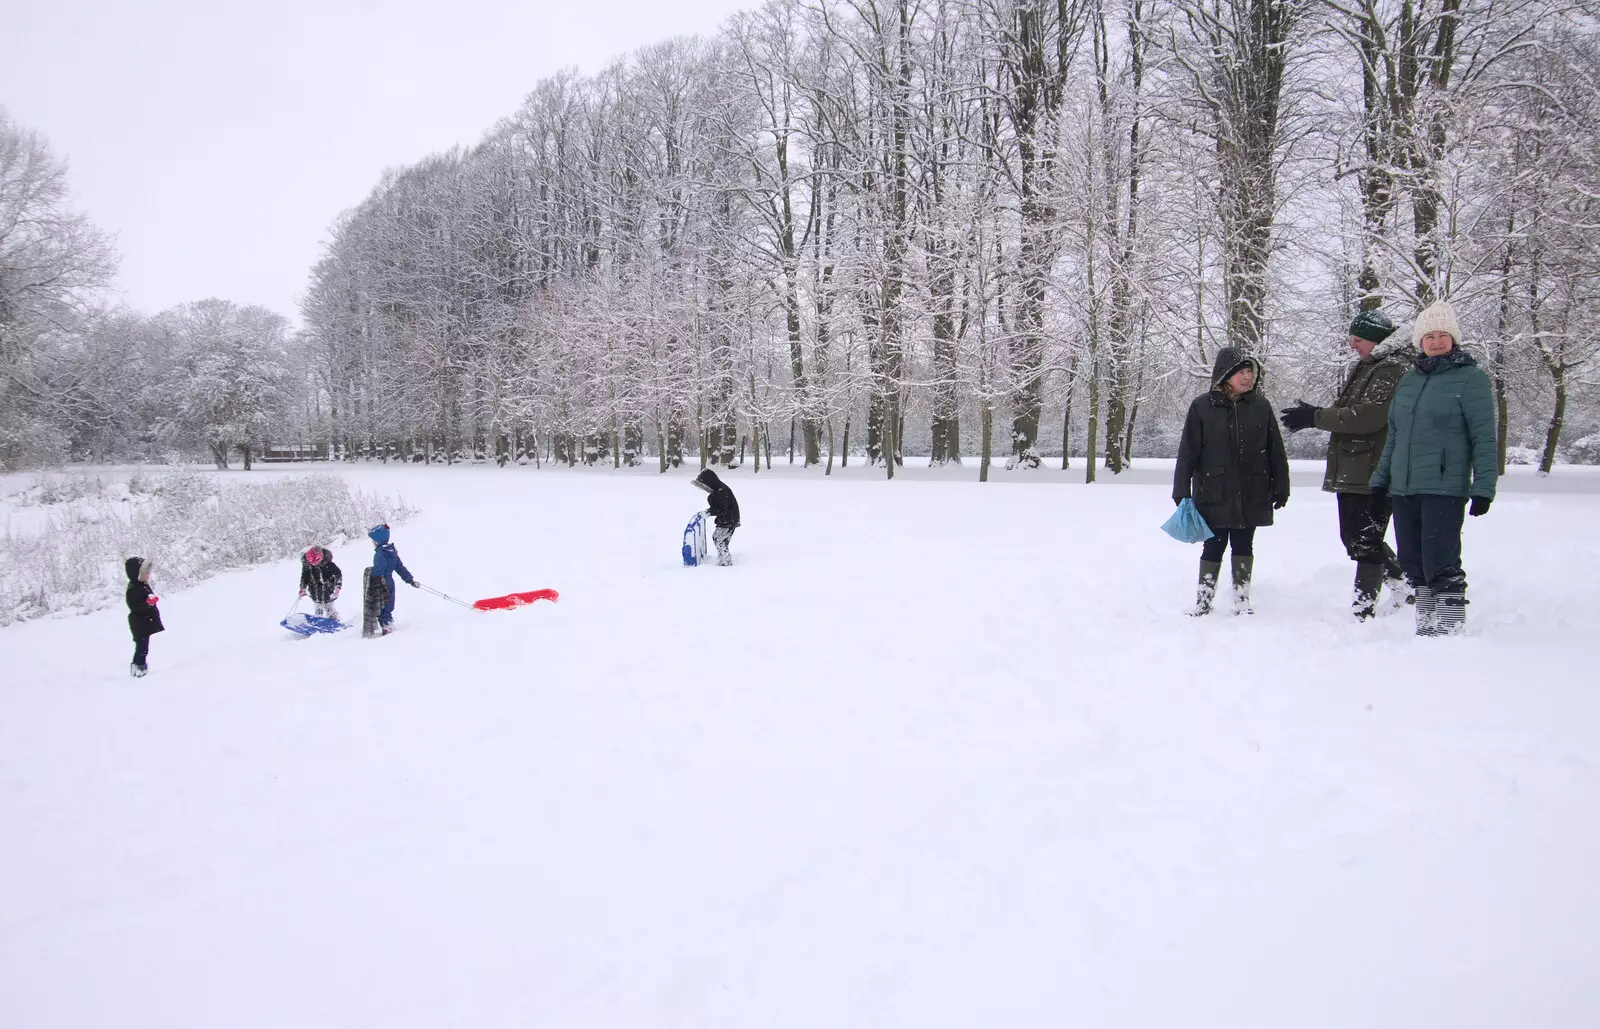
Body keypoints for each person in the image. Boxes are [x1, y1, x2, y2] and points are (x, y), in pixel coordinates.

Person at [1369, 300, 1497, 636]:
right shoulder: (1409, 382)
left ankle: (1451, 631)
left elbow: (1484, 438)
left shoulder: (1471, 380)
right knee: (1412, 561)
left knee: (1441, 560)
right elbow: (1394, 437)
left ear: (1453, 339)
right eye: (1429, 336)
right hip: (1404, 488)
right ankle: (1426, 628)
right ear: (1420, 341)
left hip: (1444, 486)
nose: (1436, 341)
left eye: (1443, 335)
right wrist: (1380, 482)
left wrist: (1483, 488)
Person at [1278, 308, 1412, 619]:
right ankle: (1402, 584)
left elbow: (1368, 416)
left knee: (1364, 539)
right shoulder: (1369, 366)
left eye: (1359, 339)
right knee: (1354, 537)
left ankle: (1364, 609)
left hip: (1374, 469)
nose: (1353, 344)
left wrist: (1315, 417)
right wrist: (1318, 415)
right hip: (1357, 467)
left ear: (1377, 339)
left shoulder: (1391, 369)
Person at [1173, 347, 1291, 615]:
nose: (1247, 377)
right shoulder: (1202, 406)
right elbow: (1187, 451)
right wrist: (1181, 489)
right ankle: (1203, 602)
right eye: (1241, 372)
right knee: (1213, 545)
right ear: (1226, 375)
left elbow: (1275, 449)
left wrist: (1281, 485)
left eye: (1250, 371)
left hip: (1252, 490)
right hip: (1213, 490)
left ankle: (1242, 600)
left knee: (1243, 544)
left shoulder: (1261, 406)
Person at [367, 524, 419, 635]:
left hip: (381, 582)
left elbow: (379, 570)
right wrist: (409, 579)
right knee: (388, 604)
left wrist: (371, 574)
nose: (372, 543)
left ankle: (386, 626)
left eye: (373, 540)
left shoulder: (380, 554)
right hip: (390, 582)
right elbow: (400, 568)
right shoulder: (392, 552)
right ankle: (388, 623)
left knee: (381, 604)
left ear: (378, 540)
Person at [124, 556, 164, 677]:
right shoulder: (133, 588)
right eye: (145, 573)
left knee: (143, 647)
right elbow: (135, 607)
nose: (148, 575)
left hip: (144, 622)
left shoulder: (142, 585)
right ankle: (138, 668)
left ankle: (138, 667)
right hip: (139, 624)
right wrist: (148, 604)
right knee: (142, 648)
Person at [692, 468, 740, 567]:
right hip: (728, 519)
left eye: (705, 486)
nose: (705, 489)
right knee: (719, 538)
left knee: (719, 540)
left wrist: (709, 512)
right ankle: (723, 557)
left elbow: (722, 509)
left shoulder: (721, 492)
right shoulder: (718, 489)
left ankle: (726, 562)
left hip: (729, 520)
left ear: (710, 482)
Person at [299, 545, 344, 622]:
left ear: (321, 557)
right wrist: (302, 587)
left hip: (328, 589)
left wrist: (337, 586)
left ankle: (334, 620)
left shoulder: (328, 564)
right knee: (317, 606)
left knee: (328, 606)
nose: (314, 564)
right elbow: (304, 576)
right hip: (314, 590)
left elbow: (338, 574)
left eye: (316, 562)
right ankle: (318, 620)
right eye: (311, 562)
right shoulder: (307, 565)